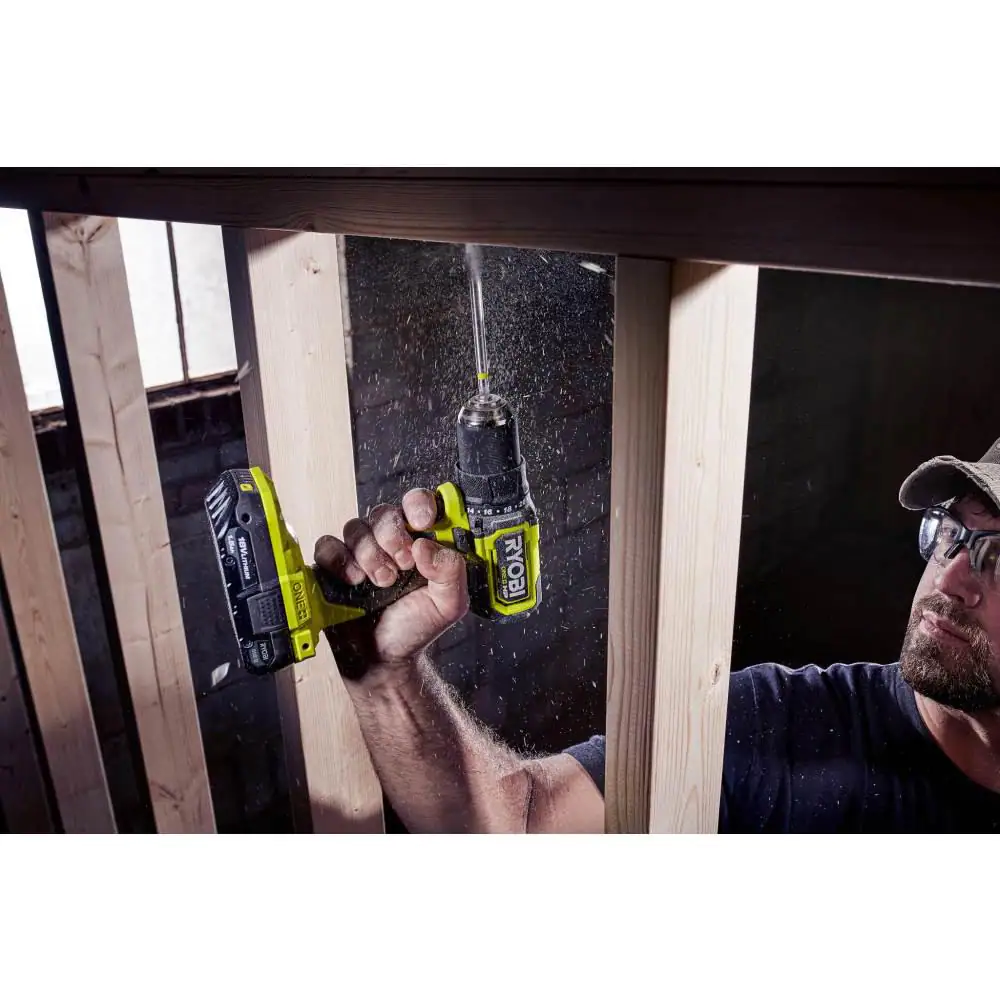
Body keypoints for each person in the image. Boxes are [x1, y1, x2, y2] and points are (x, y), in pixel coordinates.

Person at [316, 439, 1000, 833]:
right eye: (950, 534)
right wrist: (386, 676)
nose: (951, 580)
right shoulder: (783, 726)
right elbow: (518, 826)